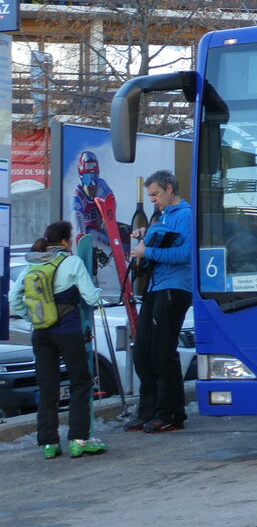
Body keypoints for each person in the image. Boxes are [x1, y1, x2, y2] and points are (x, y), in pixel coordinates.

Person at [7, 220, 107, 459]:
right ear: (65, 241)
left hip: (41, 332)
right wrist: (101, 294)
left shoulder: (33, 264)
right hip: (68, 332)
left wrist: (32, 317)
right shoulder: (72, 262)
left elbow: (14, 296)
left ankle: (49, 444)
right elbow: (91, 298)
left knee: (47, 386)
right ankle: (78, 440)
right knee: (80, 383)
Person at [126, 169, 193, 433]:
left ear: (168, 188)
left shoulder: (185, 215)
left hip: (174, 287)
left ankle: (170, 413)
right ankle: (149, 410)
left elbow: (186, 253)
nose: (153, 199)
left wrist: (147, 250)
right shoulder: (163, 217)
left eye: (155, 194)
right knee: (143, 350)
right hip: (156, 286)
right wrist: (147, 237)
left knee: (162, 351)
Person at [71, 150, 114, 275]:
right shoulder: (77, 195)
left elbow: (111, 201)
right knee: (90, 234)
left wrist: (107, 219)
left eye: (94, 177)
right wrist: (81, 239)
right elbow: (77, 221)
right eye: (87, 178)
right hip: (89, 236)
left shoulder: (101, 185)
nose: (91, 184)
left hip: (103, 233)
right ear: (81, 178)